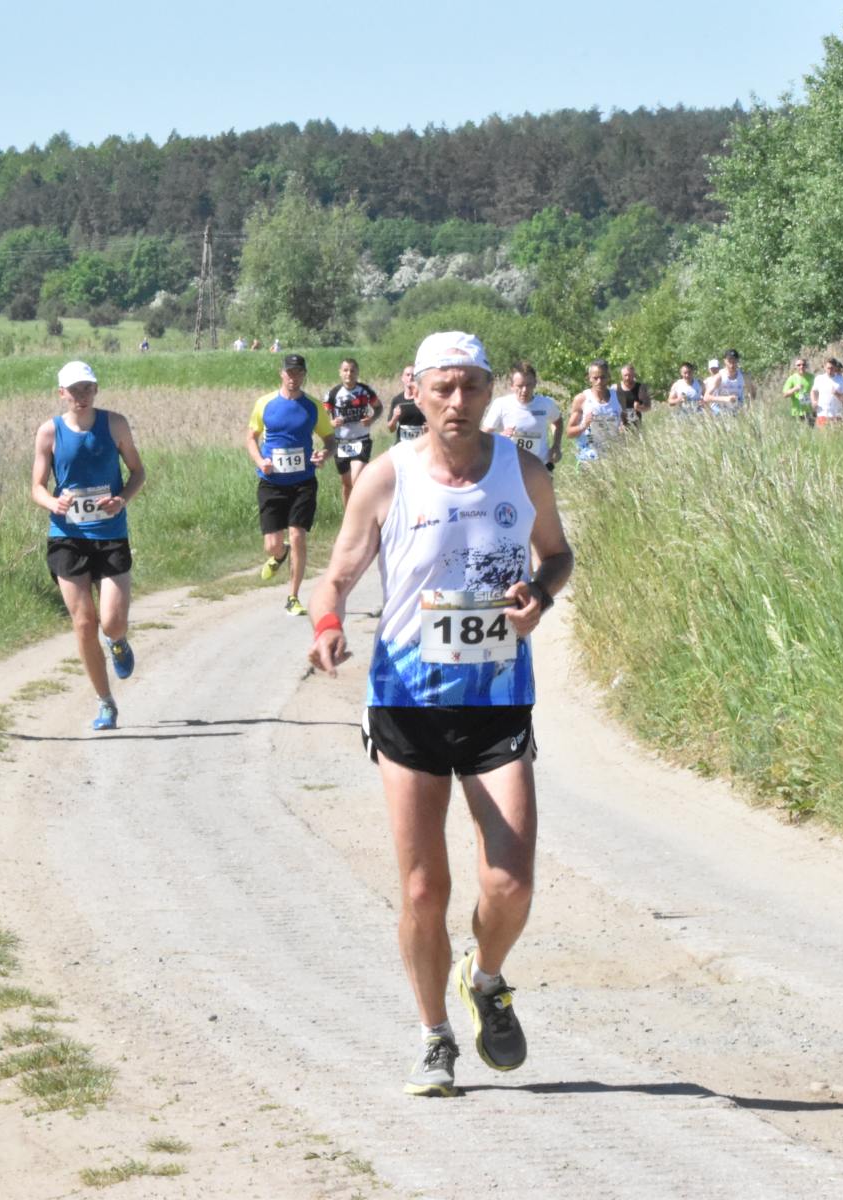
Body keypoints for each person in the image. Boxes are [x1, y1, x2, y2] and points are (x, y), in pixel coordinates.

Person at [306, 330, 573, 1098]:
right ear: (415, 391)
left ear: (490, 391)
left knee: (511, 883)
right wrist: (328, 624)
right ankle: (433, 1038)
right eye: (443, 388)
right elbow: (337, 574)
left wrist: (540, 593)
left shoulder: (523, 471)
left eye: (471, 387)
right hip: (407, 701)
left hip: (497, 699)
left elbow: (557, 554)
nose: (458, 401)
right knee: (424, 889)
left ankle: (484, 978)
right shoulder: (387, 478)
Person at [31, 361, 146, 731]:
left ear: (96, 390)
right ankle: (105, 701)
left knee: (111, 622)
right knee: (84, 623)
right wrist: (53, 503)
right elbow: (36, 487)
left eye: (87, 388)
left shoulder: (115, 424)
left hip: (110, 534)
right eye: (74, 390)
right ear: (61, 393)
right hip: (67, 536)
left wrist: (122, 499)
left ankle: (118, 641)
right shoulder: (49, 432)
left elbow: (138, 472)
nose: (81, 396)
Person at [247, 353, 335, 617]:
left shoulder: (313, 406)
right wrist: (260, 460)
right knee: (272, 544)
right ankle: (279, 554)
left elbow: (330, 440)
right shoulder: (265, 404)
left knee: (297, 535)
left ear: (304, 375)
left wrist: (324, 455)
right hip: (271, 482)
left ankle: (293, 597)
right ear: (281, 373)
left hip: (303, 482)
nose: (293, 377)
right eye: (289, 372)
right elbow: (251, 437)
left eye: (298, 372)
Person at [481, 361, 563, 470]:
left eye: (528, 385)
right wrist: (499, 437)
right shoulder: (501, 404)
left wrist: (556, 446)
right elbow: (483, 436)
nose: (524, 390)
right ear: (511, 386)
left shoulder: (546, 403)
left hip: (540, 467)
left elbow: (558, 422)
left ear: (535, 383)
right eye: (519, 386)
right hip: (510, 467)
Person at [325, 357, 383, 509]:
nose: (349, 374)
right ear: (340, 372)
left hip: (361, 440)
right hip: (341, 443)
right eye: (345, 370)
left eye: (352, 370)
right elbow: (323, 417)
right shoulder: (333, 393)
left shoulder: (365, 391)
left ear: (357, 372)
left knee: (356, 479)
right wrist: (331, 423)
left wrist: (372, 419)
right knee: (346, 484)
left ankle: (362, 513)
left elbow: (379, 408)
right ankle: (348, 516)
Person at [565, 360, 621, 461]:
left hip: (613, 455)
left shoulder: (618, 397)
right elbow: (569, 433)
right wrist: (584, 425)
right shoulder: (582, 399)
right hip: (588, 456)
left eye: (603, 377)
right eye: (595, 378)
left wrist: (624, 428)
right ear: (589, 378)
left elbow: (628, 423)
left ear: (608, 377)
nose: (599, 381)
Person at [386, 364, 428, 443]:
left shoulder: (424, 399)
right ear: (402, 378)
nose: (410, 377)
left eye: (413, 375)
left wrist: (429, 427)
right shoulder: (397, 400)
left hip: (421, 444)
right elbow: (391, 429)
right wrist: (395, 417)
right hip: (402, 444)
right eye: (407, 375)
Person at [809, 357, 843, 428]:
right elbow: (813, 391)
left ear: (835, 368)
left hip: (837, 415)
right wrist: (814, 401)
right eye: (828, 368)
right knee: (822, 435)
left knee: (836, 435)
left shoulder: (841, 380)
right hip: (822, 414)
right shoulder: (819, 379)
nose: (829, 370)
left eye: (832, 368)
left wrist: (837, 394)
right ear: (824, 367)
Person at [614, 363, 652, 429]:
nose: (627, 378)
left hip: (636, 426)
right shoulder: (615, 388)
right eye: (625, 375)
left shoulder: (640, 388)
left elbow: (648, 407)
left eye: (630, 375)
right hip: (619, 426)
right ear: (621, 375)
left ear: (634, 375)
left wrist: (639, 408)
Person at [783, 357, 815, 422]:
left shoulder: (812, 377)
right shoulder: (792, 378)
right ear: (795, 367)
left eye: (803, 365)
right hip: (797, 412)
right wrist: (795, 389)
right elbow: (785, 395)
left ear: (806, 366)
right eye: (799, 365)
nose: (801, 367)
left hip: (810, 411)